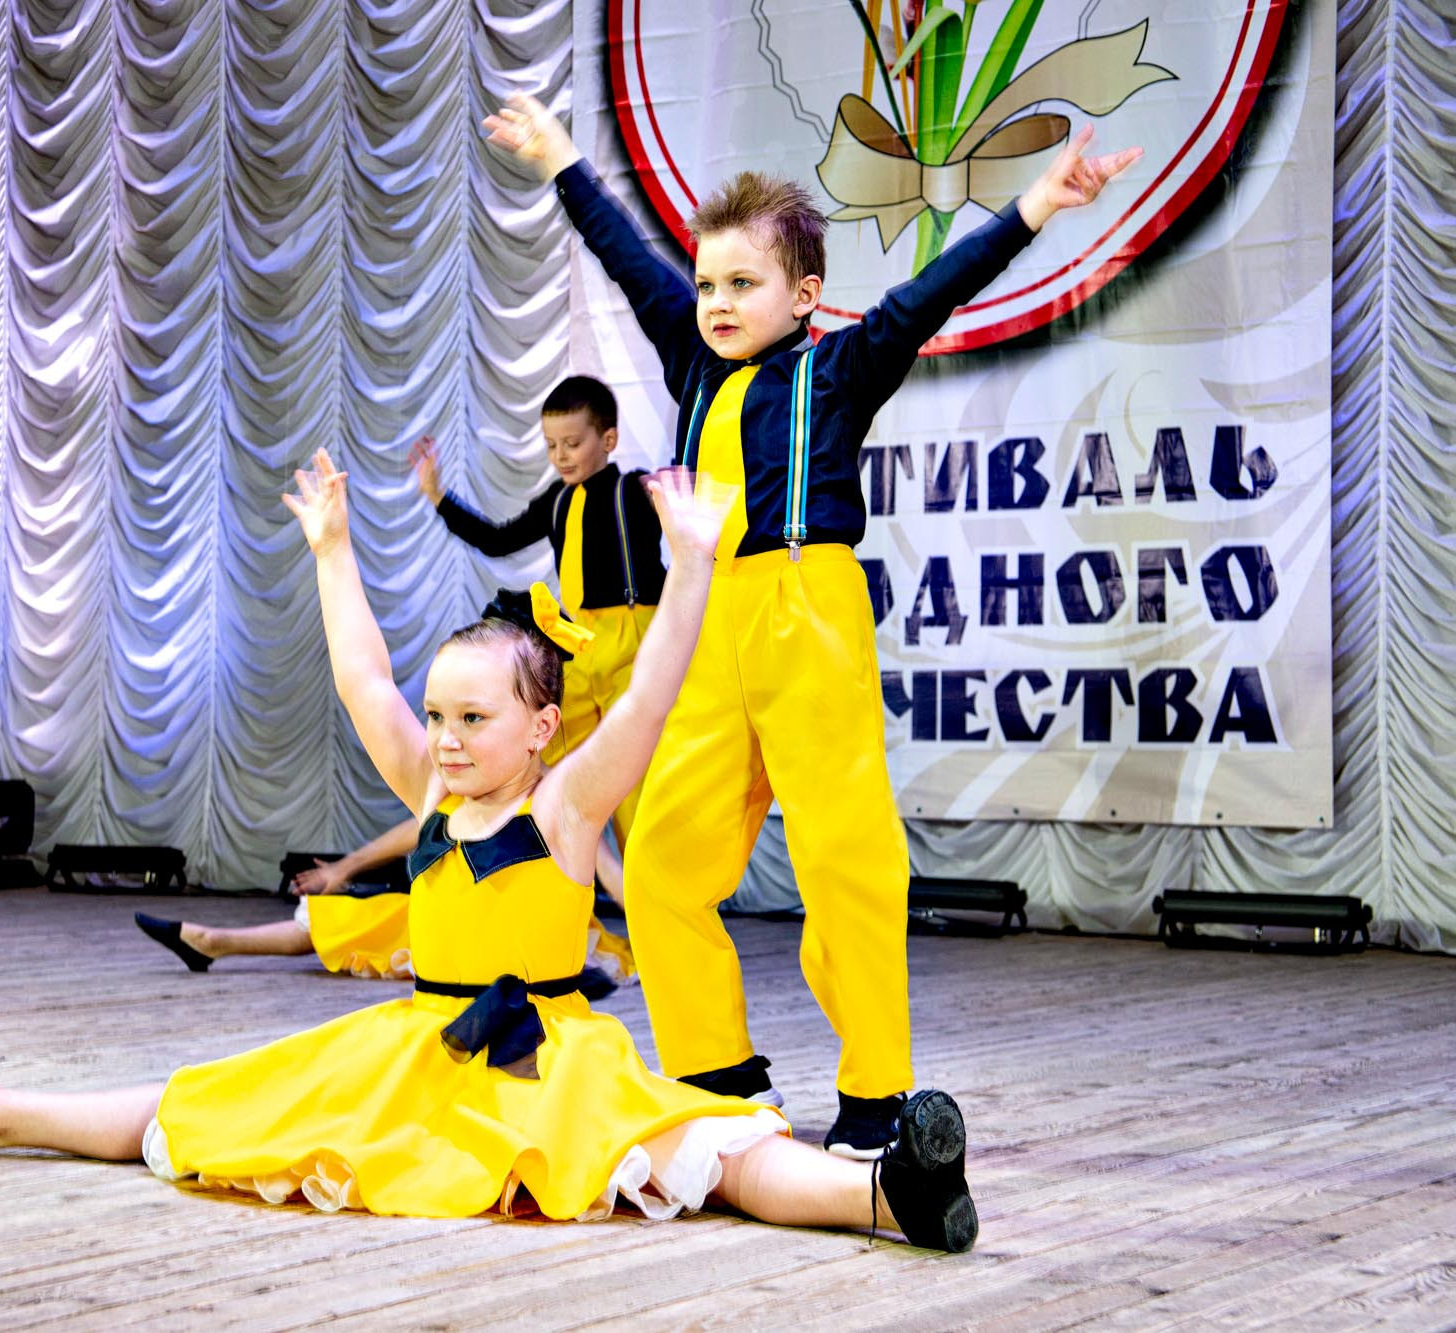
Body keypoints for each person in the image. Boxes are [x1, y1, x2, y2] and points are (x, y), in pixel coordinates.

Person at [0, 450, 977, 1249]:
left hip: (548, 1056)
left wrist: (692, 564)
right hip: (420, 1045)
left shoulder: (562, 812)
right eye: (442, 716)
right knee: (200, 1099)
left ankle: (891, 1194)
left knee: (722, 1155)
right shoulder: (427, 789)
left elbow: (648, 700)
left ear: (540, 728)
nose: (450, 737)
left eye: (474, 719)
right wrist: (331, 552)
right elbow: (363, 681)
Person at [484, 92, 1142, 1156]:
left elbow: (934, 290)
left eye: (741, 283)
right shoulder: (691, 358)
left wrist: (1033, 206)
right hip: (699, 628)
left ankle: (875, 1095)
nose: (714, 300)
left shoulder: (838, 368)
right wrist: (559, 154)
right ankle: (717, 1076)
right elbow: (619, 251)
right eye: (706, 283)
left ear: (803, 294)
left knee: (845, 860)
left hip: (806, 613)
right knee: (659, 865)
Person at [412, 374, 663, 846]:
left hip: (634, 642)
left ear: (608, 439)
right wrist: (438, 496)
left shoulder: (634, 491)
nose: (561, 456)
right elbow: (498, 539)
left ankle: (647, 902)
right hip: (577, 644)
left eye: (572, 443)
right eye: (551, 445)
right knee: (542, 752)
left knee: (636, 781)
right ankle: (554, 884)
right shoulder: (557, 500)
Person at [133, 811, 638, 988]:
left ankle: (211, 942)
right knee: (383, 912)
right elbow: (425, 825)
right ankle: (210, 941)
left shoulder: (559, 794)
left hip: (524, 941)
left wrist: (656, 929)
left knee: (383, 917)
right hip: (464, 917)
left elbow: (609, 873)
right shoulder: (482, 781)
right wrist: (344, 867)